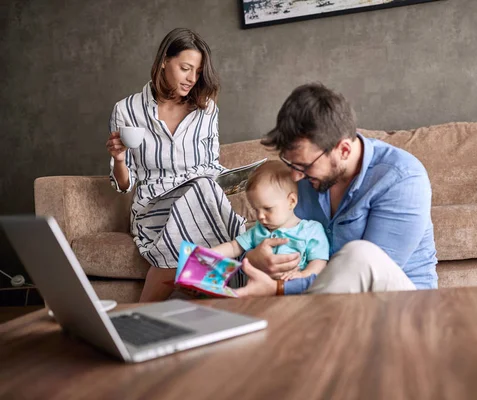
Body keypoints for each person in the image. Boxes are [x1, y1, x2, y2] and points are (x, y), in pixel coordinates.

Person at [235, 83, 438, 298]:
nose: (295, 176)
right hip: (324, 302)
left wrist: (279, 288)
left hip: (400, 304)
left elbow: (364, 274)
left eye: (305, 165)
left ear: (344, 150)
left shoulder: (401, 178)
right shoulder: (304, 175)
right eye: (291, 164)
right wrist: (255, 258)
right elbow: (264, 235)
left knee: (360, 254)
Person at [105, 28, 245, 302]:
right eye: (185, 68)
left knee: (206, 188)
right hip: (153, 207)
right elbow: (123, 185)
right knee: (213, 203)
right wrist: (119, 159)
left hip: (201, 199)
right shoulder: (127, 110)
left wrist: (239, 179)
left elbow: (211, 165)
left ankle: (148, 305)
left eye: (198, 71)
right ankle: (237, 304)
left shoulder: (207, 108)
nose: (193, 79)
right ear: (163, 63)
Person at [211, 160, 330, 285]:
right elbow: (233, 246)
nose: (260, 216)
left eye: (267, 209)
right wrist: (204, 254)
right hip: (260, 293)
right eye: (256, 209)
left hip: (296, 290)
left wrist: (303, 275)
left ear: (291, 201)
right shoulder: (258, 230)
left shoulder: (311, 230)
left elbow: (319, 261)